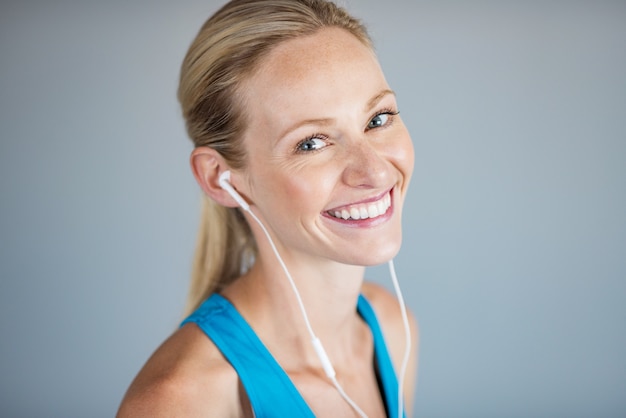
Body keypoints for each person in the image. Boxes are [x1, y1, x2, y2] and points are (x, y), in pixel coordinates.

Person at [118, 0, 418, 416]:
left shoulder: (392, 329)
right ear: (218, 177)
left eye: (378, 118)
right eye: (311, 143)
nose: (376, 172)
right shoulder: (182, 399)